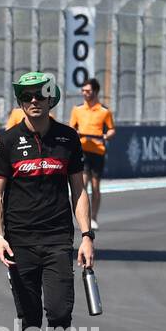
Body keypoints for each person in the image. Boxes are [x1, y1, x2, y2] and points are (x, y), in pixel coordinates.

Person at [0, 72, 94, 331]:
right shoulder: (6, 142)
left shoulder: (68, 138)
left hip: (58, 241)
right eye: (27, 96)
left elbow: (79, 190)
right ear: (20, 101)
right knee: (30, 319)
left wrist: (87, 236)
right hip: (19, 243)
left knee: (60, 314)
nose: (34, 100)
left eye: (41, 95)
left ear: (52, 100)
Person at [68, 78, 115, 231]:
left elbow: (111, 129)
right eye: (83, 91)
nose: (85, 94)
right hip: (82, 151)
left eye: (88, 91)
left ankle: (94, 216)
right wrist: (75, 133)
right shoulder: (77, 109)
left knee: (95, 186)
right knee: (83, 184)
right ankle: (84, 217)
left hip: (98, 151)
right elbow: (71, 127)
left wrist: (107, 135)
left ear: (95, 92)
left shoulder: (104, 111)